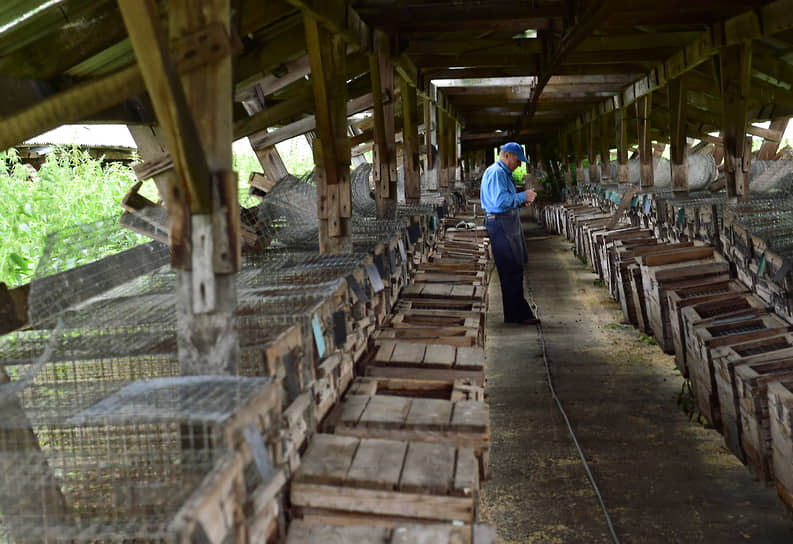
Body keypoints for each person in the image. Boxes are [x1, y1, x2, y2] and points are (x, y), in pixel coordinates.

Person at [480, 142, 538, 325]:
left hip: (505, 222)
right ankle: (516, 315)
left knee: (514, 268)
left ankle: (517, 314)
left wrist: (520, 202)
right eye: (517, 160)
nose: (519, 165)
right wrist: (523, 196)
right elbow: (499, 201)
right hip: (500, 224)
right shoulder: (497, 173)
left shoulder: (502, 173)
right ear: (506, 156)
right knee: (511, 270)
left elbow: (503, 200)